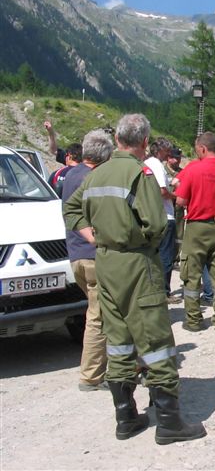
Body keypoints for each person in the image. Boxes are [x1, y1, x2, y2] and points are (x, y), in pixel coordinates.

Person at [64, 113, 205, 445]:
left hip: (105, 261)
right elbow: (156, 225)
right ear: (145, 143)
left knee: (118, 338)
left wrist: (96, 237)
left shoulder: (95, 174)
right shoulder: (138, 174)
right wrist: (140, 244)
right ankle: (169, 422)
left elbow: (71, 209)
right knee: (155, 340)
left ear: (117, 141)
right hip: (136, 262)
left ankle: (125, 417)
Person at [61, 129, 113, 392]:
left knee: (99, 312)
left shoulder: (70, 174)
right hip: (94, 256)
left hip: (75, 256)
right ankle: (91, 376)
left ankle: (116, 364)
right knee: (98, 316)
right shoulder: (95, 178)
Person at [174, 131, 215, 332]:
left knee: (191, 274)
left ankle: (193, 321)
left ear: (202, 148)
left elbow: (181, 201)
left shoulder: (193, 169)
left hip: (196, 227)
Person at [145, 138, 179, 303]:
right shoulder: (157, 165)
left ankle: (154, 288)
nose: (169, 154)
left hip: (152, 215)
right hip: (165, 215)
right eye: (167, 151)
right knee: (166, 255)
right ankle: (164, 291)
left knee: (154, 255)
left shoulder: (146, 163)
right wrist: (175, 196)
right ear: (160, 150)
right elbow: (162, 191)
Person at [164, 146, 184, 267]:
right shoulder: (162, 171)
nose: (176, 161)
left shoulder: (183, 173)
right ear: (168, 158)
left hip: (178, 208)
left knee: (179, 234)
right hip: (166, 207)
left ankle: (175, 258)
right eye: (174, 158)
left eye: (178, 158)